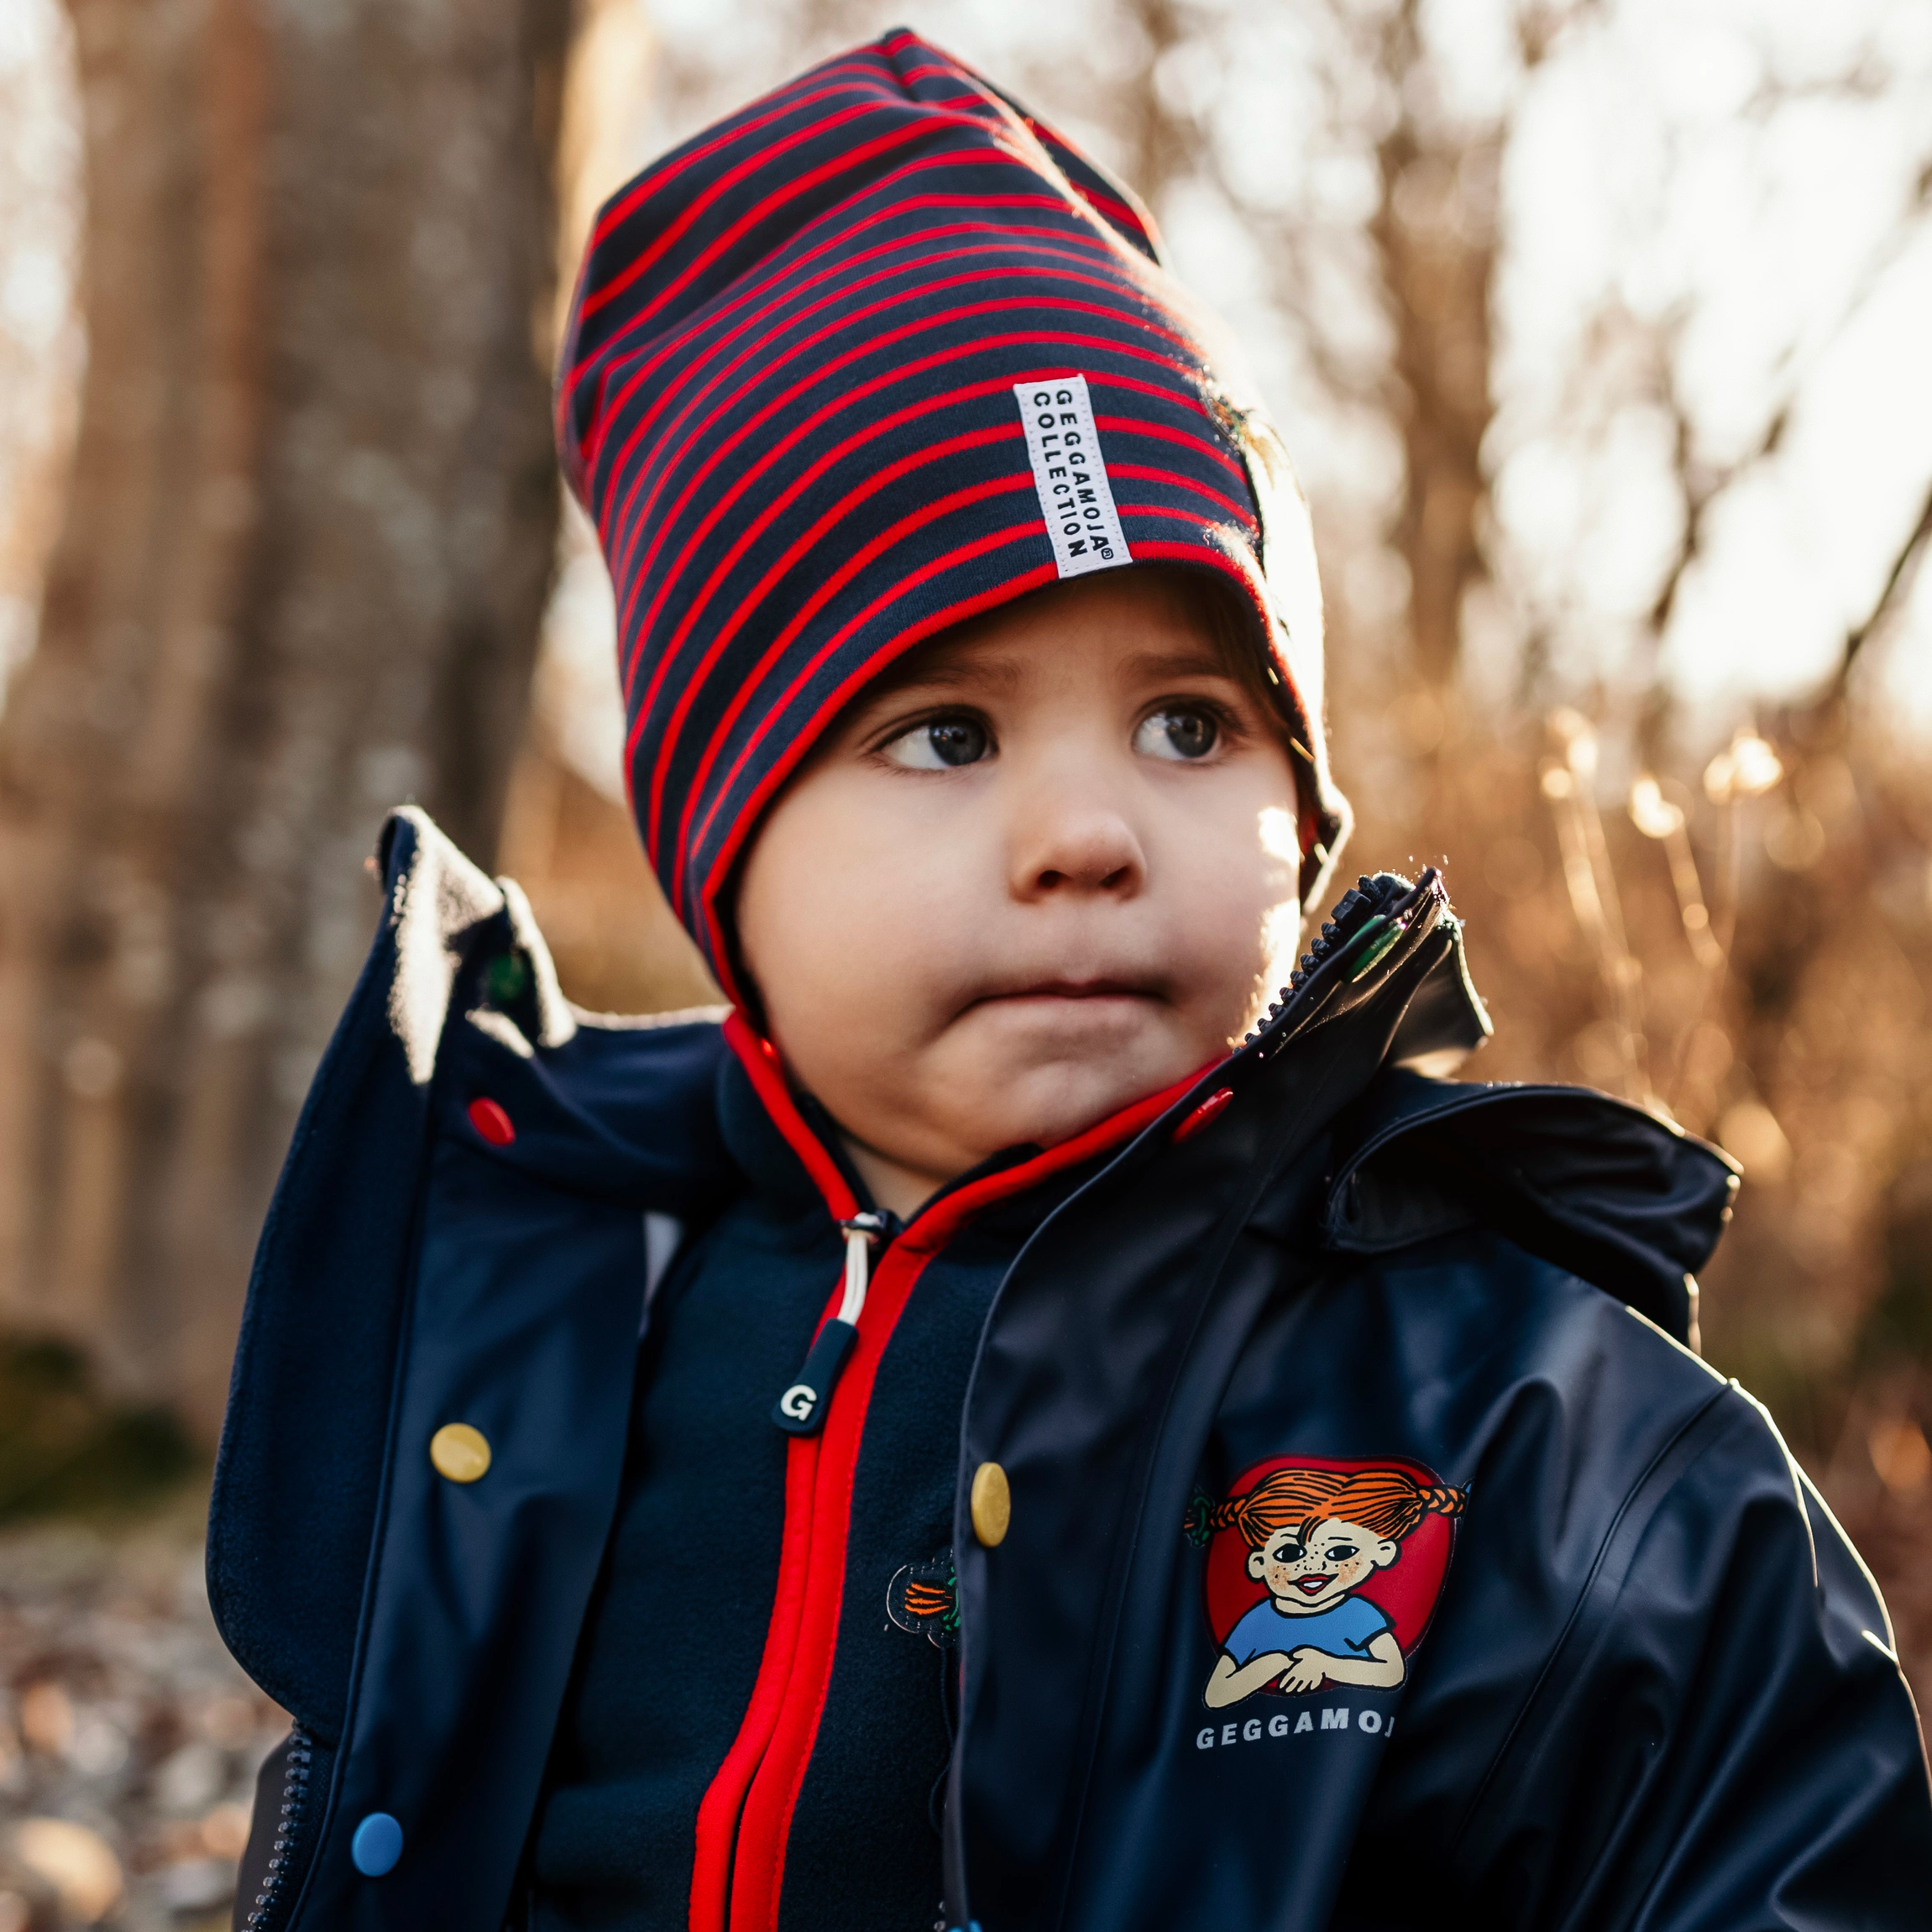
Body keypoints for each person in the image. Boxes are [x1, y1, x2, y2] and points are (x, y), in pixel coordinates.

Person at [207, 29, 1932, 1932]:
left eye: (1190, 724)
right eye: (946, 737)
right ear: (721, 841)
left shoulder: (1523, 1420)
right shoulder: (529, 1302)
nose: (1091, 832)